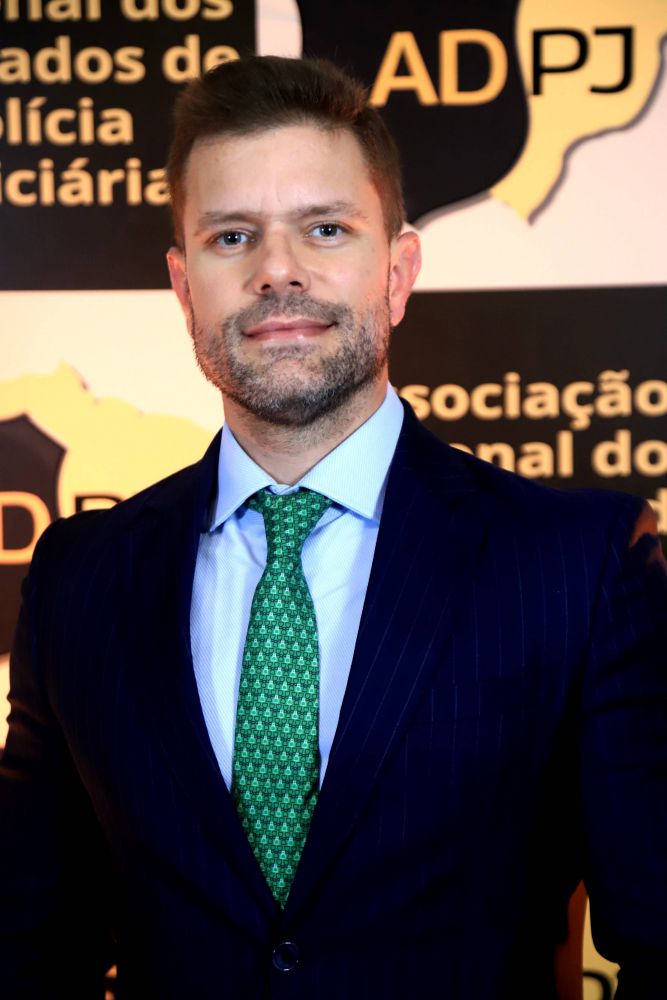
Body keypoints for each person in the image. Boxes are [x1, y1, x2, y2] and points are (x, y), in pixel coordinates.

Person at [1, 55, 666, 1000]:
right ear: (184, 288)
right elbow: (28, 946)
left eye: (324, 228)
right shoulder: (80, 576)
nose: (276, 270)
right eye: (232, 236)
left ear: (397, 272)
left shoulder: (578, 563)